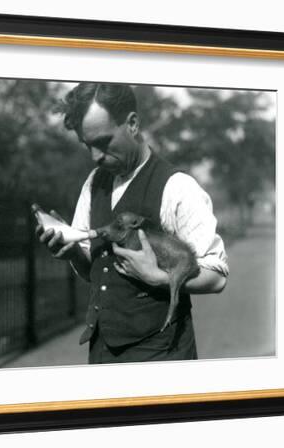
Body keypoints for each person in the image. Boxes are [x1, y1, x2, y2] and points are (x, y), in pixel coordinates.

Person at [36, 83, 229, 364]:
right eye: (87, 145)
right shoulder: (94, 183)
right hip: (102, 352)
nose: (95, 156)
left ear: (133, 124)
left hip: (161, 356)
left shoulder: (177, 187)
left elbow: (217, 276)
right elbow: (96, 271)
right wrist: (73, 252)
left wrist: (159, 278)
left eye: (103, 142)